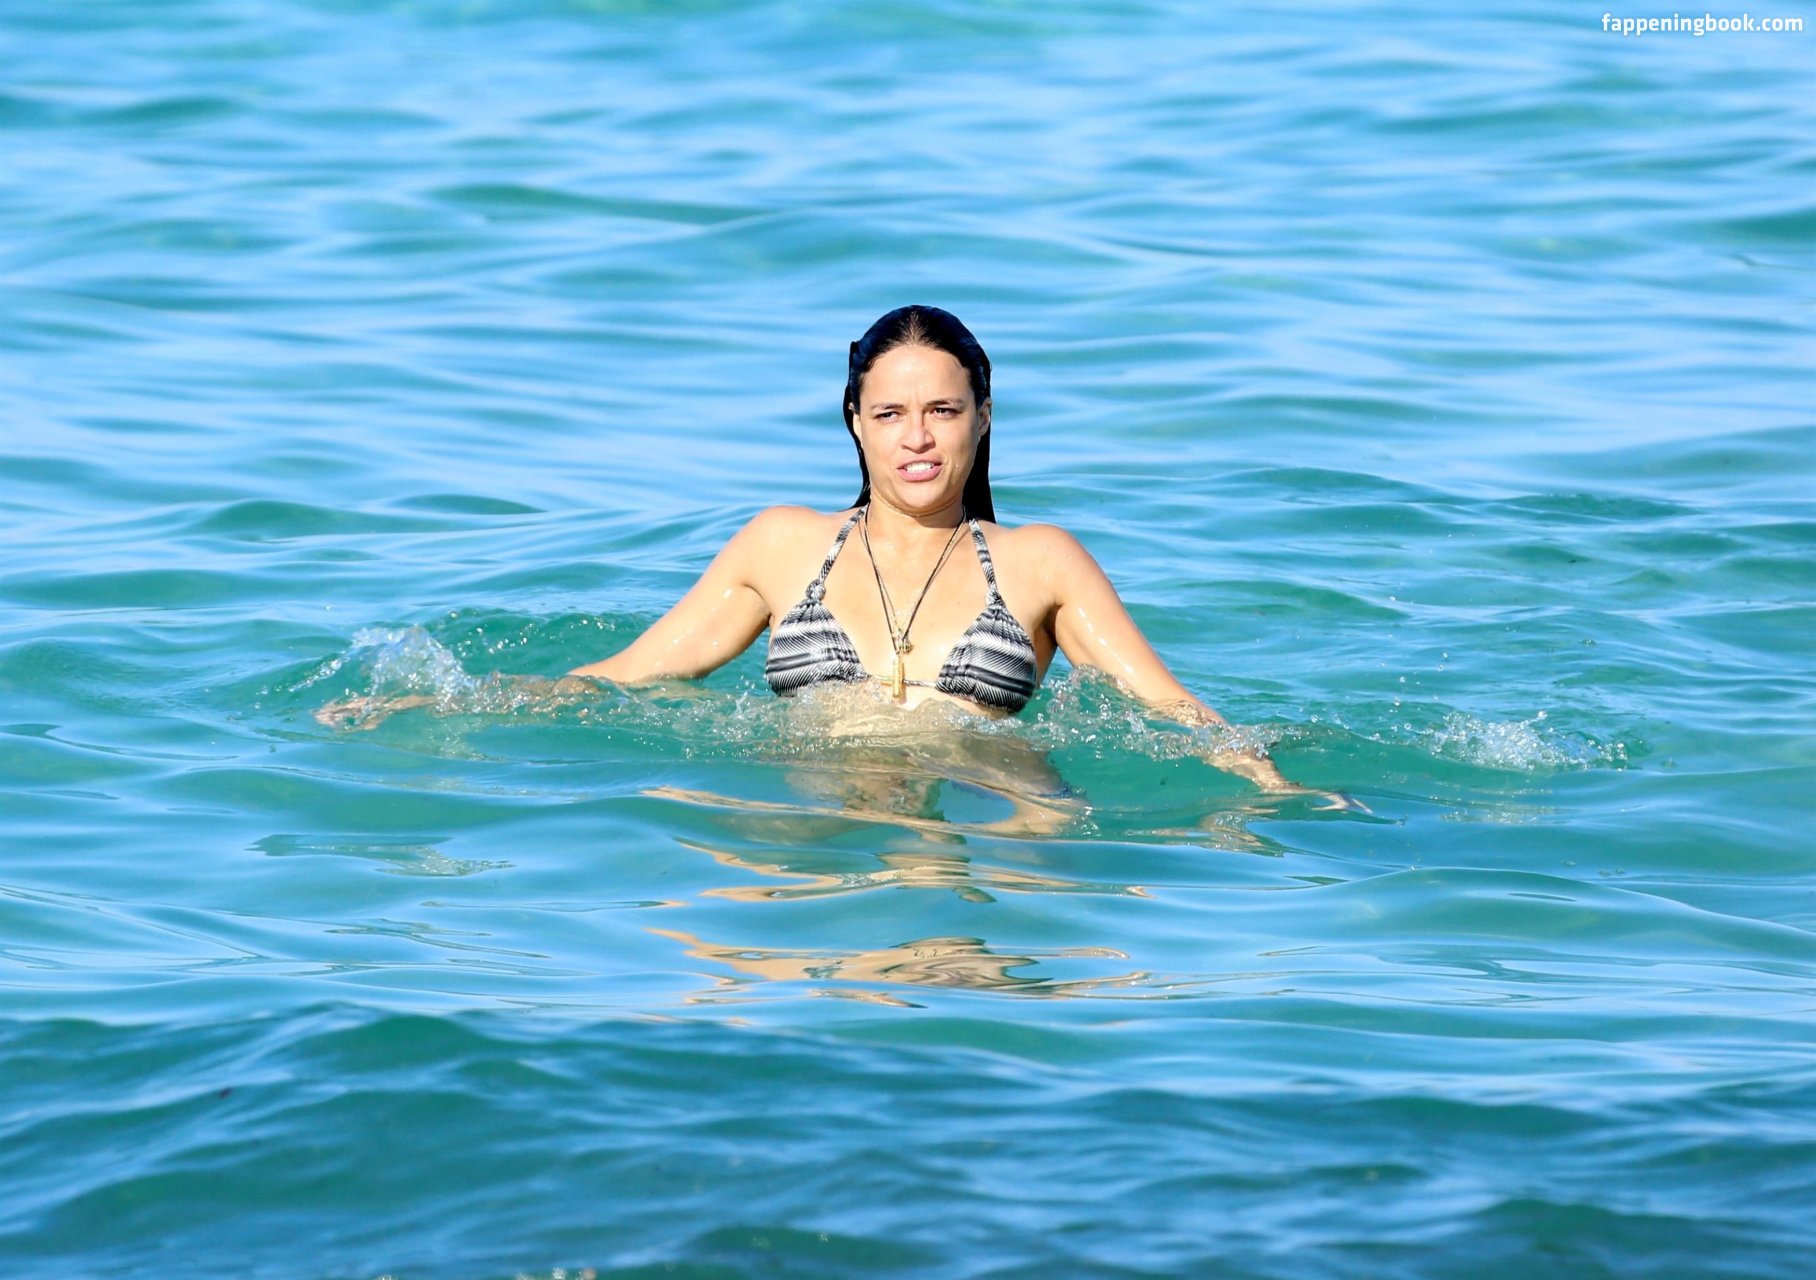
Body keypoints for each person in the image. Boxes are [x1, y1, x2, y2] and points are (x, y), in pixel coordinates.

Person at [319, 304, 1363, 812]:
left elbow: (1165, 705)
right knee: (723, 960)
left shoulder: (1042, 560)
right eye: (891, 413)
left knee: (1051, 972)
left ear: (983, 417)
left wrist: (1269, 784)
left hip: (999, 794)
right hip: (817, 789)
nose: (918, 438)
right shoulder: (783, 545)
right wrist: (446, 706)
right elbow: (627, 676)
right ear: (855, 422)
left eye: (943, 410)